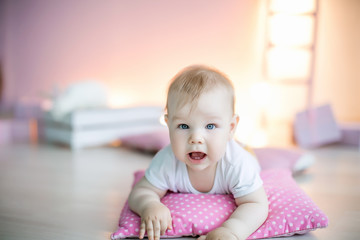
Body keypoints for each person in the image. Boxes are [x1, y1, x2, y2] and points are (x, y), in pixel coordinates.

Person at [128, 65, 269, 240]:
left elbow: (255, 203)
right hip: (221, 145)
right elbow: (141, 191)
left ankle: (240, 144)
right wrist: (149, 205)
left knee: (250, 154)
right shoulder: (167, 160)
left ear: (231, 127)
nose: (196, 138)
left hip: (243, 154)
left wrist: (231, 230)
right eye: (183, 126)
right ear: (168, 124)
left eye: (210, 126)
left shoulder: (238, 164)